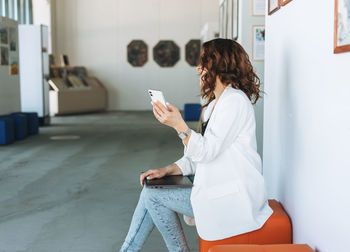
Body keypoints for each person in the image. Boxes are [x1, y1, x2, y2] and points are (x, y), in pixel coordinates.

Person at [120, 38, 273, 252]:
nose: (198, 68)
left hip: (234, 198)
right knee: (151, 189)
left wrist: (179, 127)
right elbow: (197, 155)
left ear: (220, 66)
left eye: (204, 62)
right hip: (220, 188)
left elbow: (206, 152)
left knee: (152, 195)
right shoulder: (215, 103)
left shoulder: (234, 102)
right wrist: (167, 170)